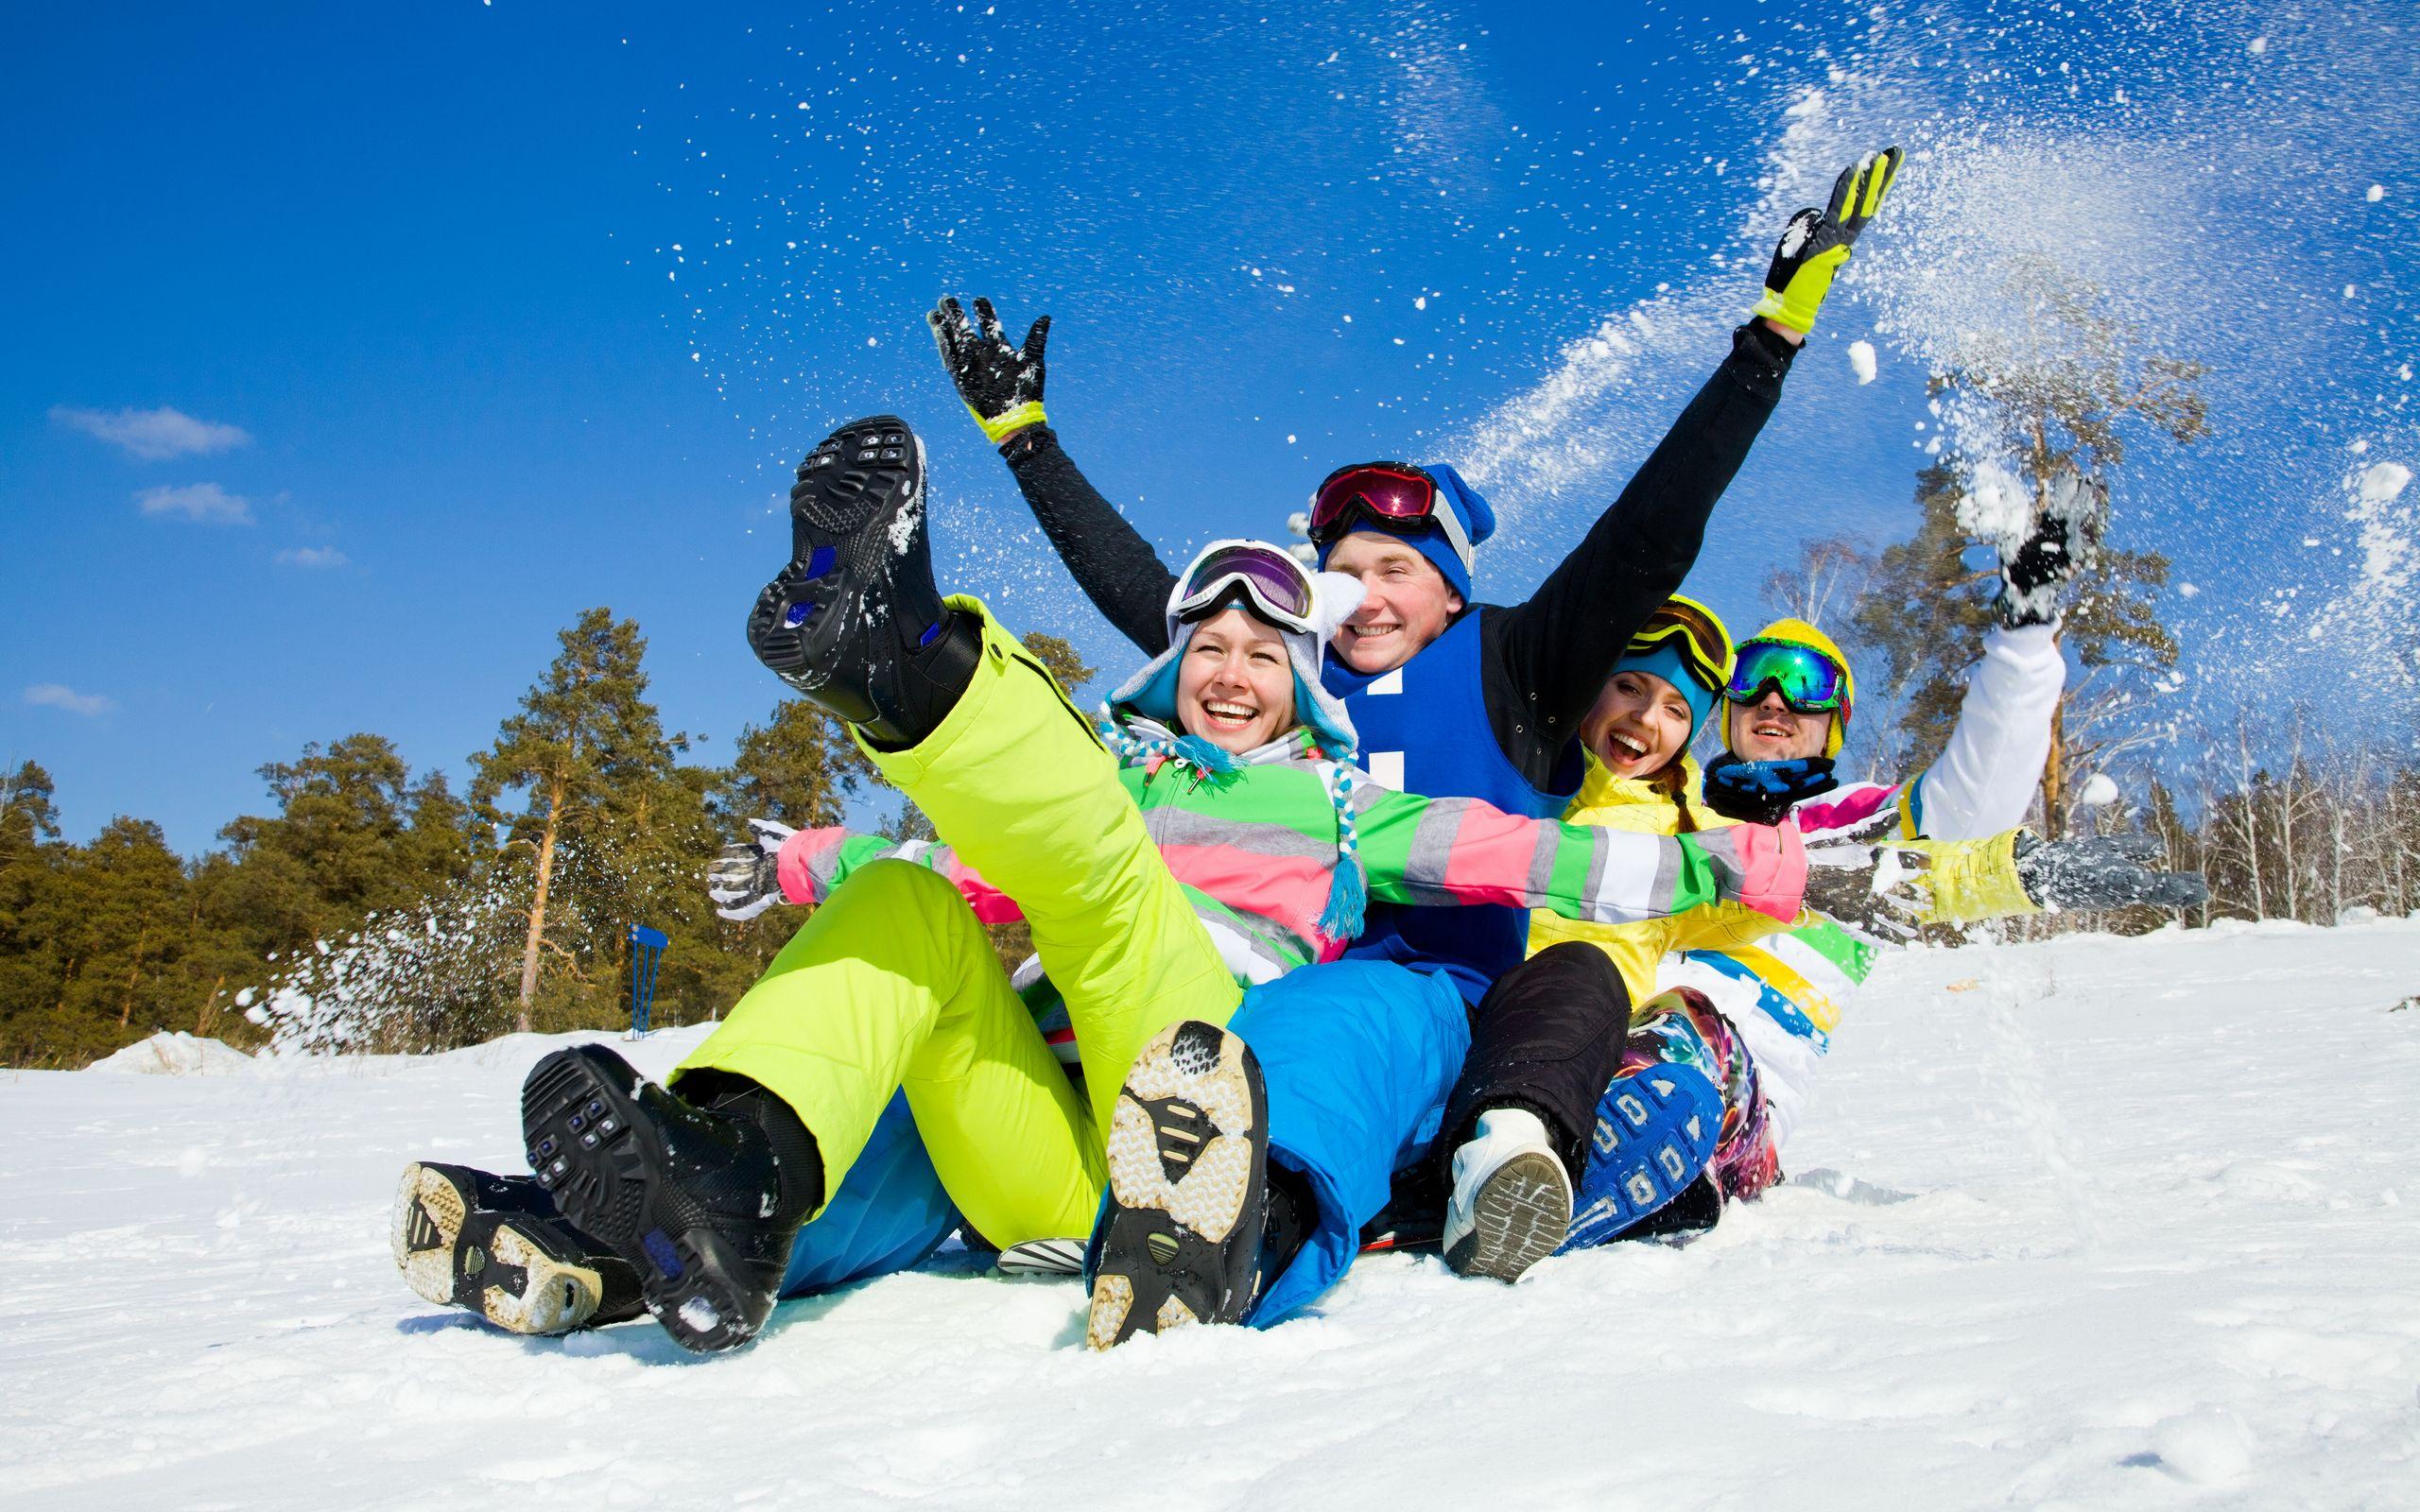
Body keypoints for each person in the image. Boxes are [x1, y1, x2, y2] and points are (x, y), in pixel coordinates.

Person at [394, 418, 1823, 1352]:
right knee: (916, 916)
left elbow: (1537, 855)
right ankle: (709, 1194)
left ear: (1304, 690)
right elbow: (944, 859)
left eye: (1272, 651)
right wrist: (808, 861)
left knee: (1107, 868)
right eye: (1209, 645)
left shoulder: (1342, 802)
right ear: (1168, 671)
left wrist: (1727, 857)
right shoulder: (1126, 763)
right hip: (1067, 1169)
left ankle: (914, 675)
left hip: (1196, 1090)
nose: (1235, 666)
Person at [925, 148, 1908, 1297]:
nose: (1364, 597)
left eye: (1396, 568)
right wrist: (1024, 436)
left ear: (1450, 588)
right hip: (1262, 1006)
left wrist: (1767, 343)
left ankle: (1447, 1183)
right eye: (1341, 570)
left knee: (1571, 971)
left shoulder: (1514, 666)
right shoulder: (1290, 669)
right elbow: (1143, 590)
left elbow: (1648, 535)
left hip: (1447, 1026)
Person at [1441, 508, 2206, 1279]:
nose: (1774, 701)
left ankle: (1552, 1205)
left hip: (1731, 1099)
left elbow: (1972, 810)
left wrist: (2025, 640)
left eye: (1804, 687)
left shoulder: (1855, 826)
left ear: (1835, 722)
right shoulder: (1672, 818)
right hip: (1581, 1053)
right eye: (1752, 680)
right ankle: (1506, 1172)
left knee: (1685, 1029)